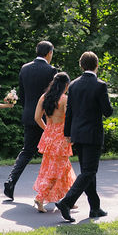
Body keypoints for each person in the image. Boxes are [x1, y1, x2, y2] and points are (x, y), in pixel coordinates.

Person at [55, 51, 113, 223]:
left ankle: (95, 207)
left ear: (81, 65)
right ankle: (66, 202)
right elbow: (107, 112)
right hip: (93, 133)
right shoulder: (100, 85)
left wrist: (67, 133)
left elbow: (70, 112)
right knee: (89, 171)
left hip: (77, 133)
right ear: (97, 65)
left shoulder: (73, 85)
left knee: (87, 172)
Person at [4, 41, 57, 200]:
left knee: (27, 151)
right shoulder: (51, 70)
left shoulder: (25, 68)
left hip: (29, 114)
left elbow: (23, 94)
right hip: (46, 118)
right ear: (49, 53)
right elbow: (52, 96)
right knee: (51, 155)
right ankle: (51, 193)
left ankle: (11, 181)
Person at [32, 72, 76, 212]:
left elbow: (37, 118)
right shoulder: (64, 99)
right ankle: (40, 197)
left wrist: (47, 130)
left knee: (64, 169)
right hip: (61, 137)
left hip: (49, 136)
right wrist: (70, 136)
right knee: (55, 170)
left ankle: (69, 199)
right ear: (66, 85)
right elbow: (69, 120)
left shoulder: (44, 97)